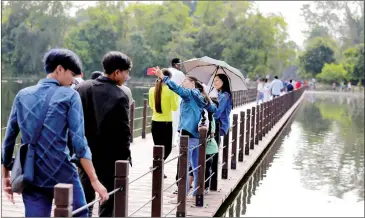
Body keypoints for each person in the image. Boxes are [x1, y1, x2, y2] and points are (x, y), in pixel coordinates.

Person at [1, 48, 108, 217]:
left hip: (31, 173)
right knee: (80, 214)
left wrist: (5, 174)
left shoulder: (22, 95)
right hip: (62, 171)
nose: (73, 80)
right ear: (59, 69)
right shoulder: (70, 96)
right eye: (71, 74)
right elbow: (79, 143)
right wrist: (94, 180)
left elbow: (8, 140)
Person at [75, 51, 132, 217]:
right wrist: (124, 158)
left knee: (84, 198)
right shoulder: (120, 95)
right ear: (116, 73)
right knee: (107, 200)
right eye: (126, 72)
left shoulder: (82, 88)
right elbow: (123, 133)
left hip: (84, 155)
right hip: (109, 158)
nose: (127, 76)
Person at [153, 67, 216, 200]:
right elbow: (212, 108)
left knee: (185, 164)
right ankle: (197, 192)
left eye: (185, 81)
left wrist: (163, 77)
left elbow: (177, 89)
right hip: (196, 134)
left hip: (187, 132)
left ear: (192, 82)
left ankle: (183, 194)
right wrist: (208, 99)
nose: (183, 83)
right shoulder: (200, 95)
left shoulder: (190, 94)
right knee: (195, 164)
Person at [149, 68, 178, 178]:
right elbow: (175, 108)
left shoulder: (152, 90)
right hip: (166, 123)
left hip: (155, 122)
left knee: (158, 148)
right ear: (168, 79)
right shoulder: (171, 91)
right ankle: (155, 166)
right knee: (168, 149)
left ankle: (158, 169)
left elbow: (152, 106)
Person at [211, 74, 232, 191]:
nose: (215, 82)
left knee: (213, 151)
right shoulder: (220, 94)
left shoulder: (224, 96)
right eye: (214, 81)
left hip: (219, 125)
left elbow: (217, 113)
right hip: (219, 124)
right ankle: (211, 179)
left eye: (217, 81)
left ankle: (212, 181)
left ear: (224, 82)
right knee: (214, 150)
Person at [168, 58, 185, 147]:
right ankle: (172, 141)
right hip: (176, 98)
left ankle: (167, 140)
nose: (181, 66)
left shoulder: (167, 71)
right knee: (175, 120)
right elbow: (185, 85)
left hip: (165, 97)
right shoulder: (180, 74)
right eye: (179, 64)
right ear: (175, 64)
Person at [204, 98, 219, 195]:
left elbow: (212, 134)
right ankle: (203, 186)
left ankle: (206, 187)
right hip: (206, 147)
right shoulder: (208, 117)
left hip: (209, 148)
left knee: (207, 166)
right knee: (205, 166)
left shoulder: (211, 119)